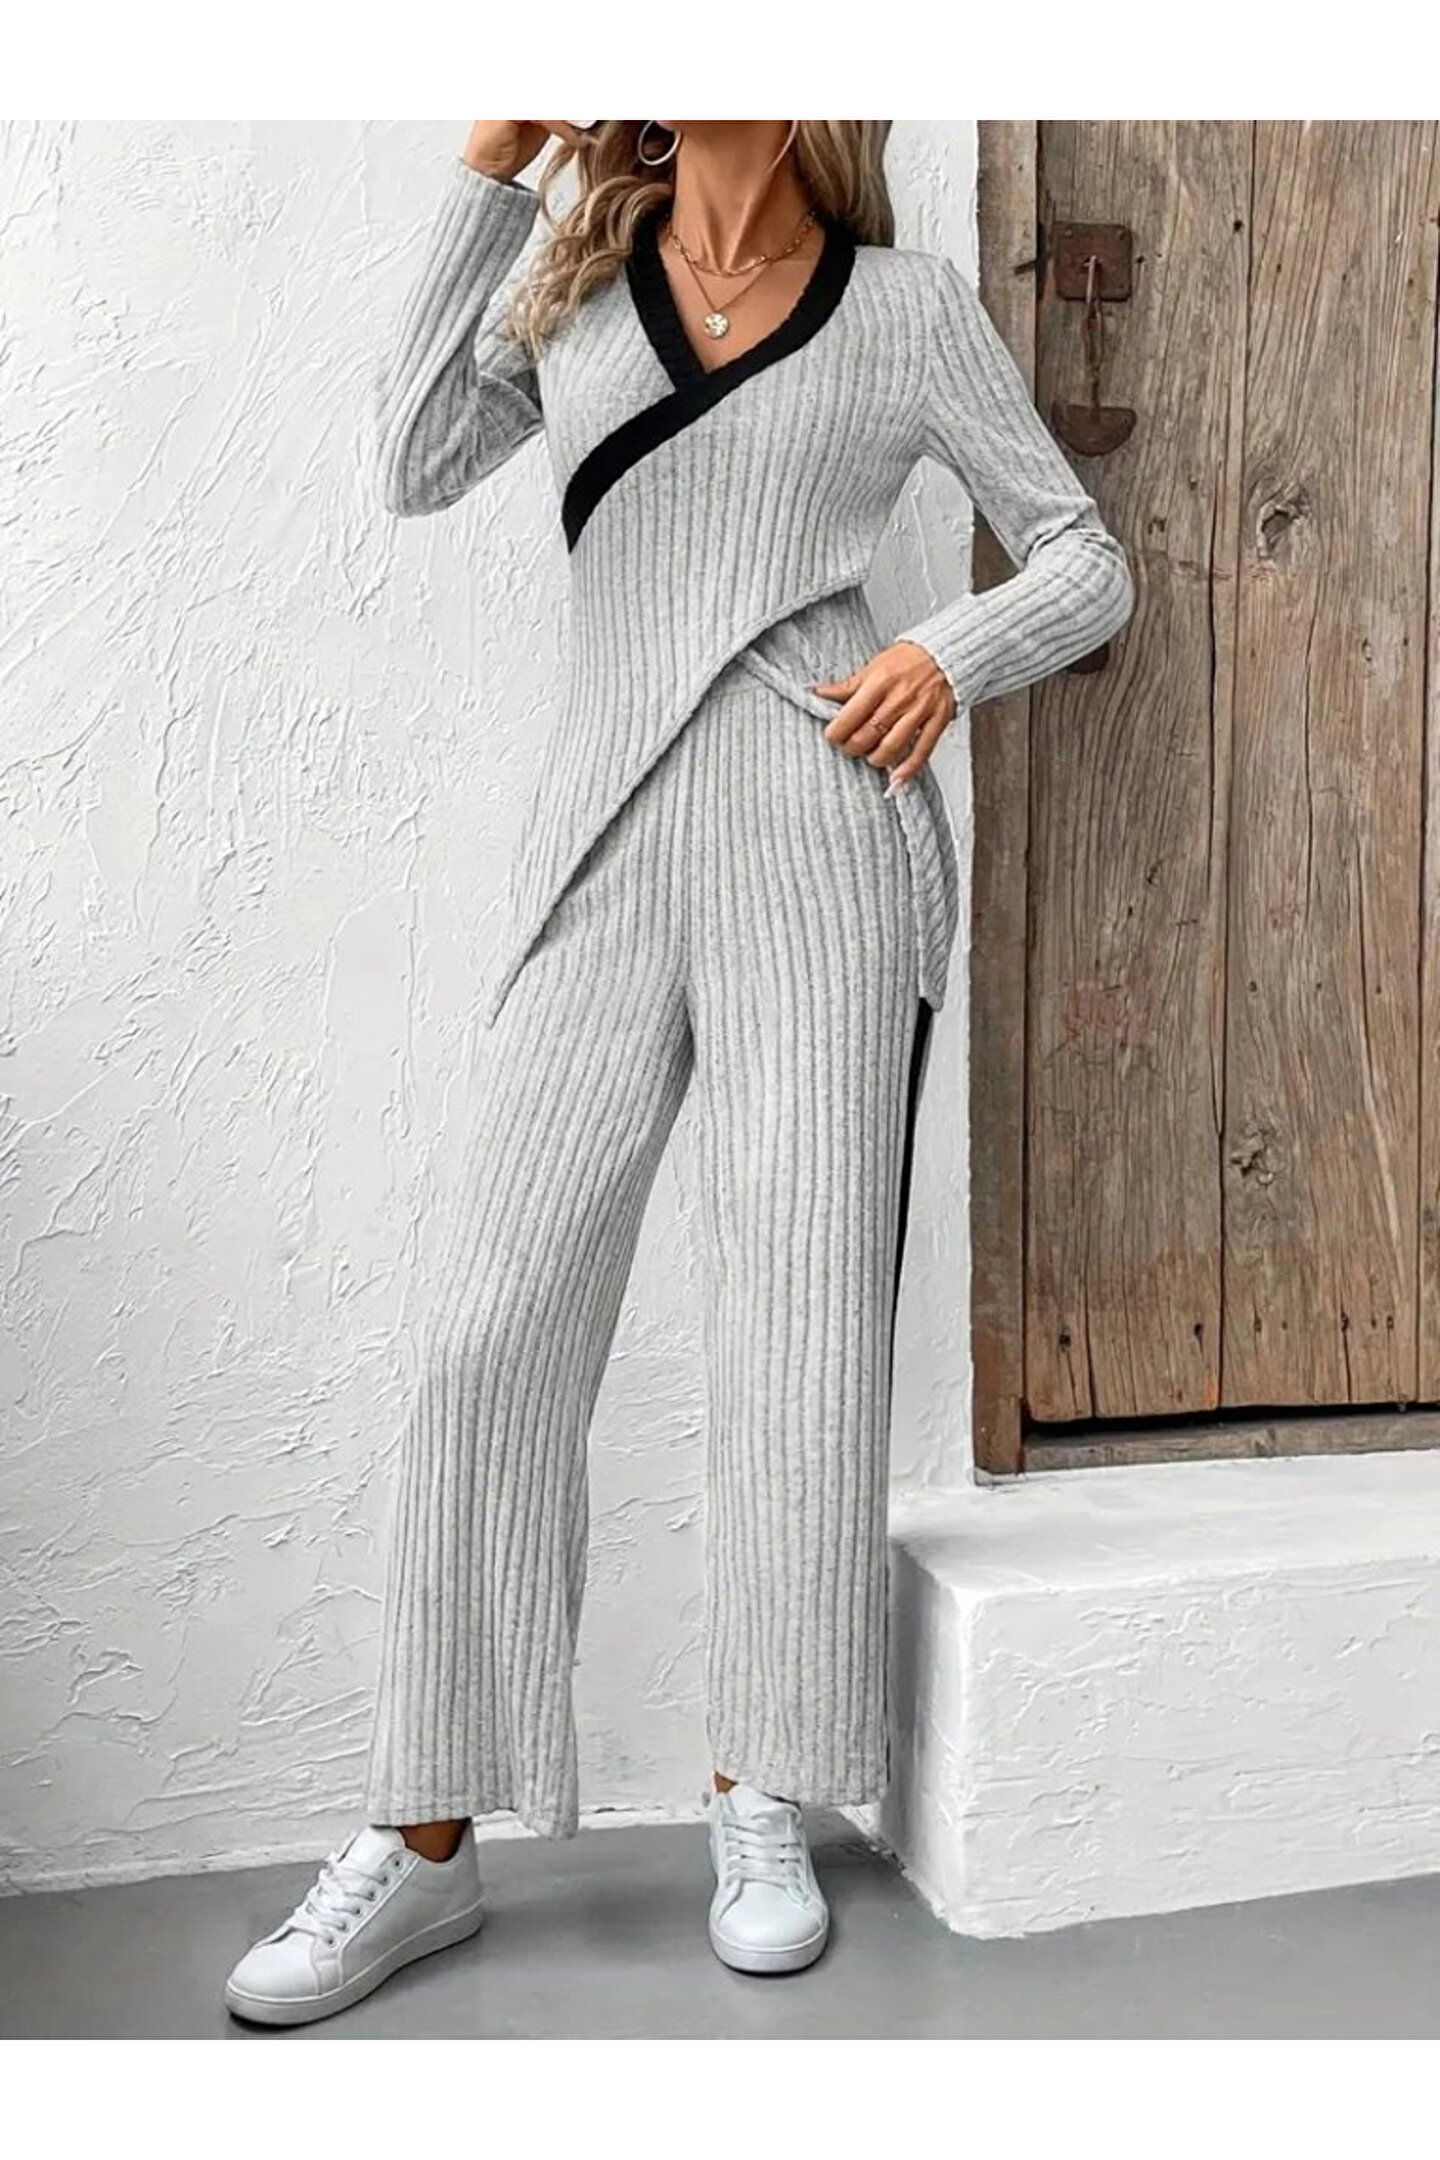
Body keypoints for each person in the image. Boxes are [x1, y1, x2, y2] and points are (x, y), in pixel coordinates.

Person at [223, 118, 1134, 2027]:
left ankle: (762, 1791)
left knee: (797, 1328)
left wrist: (950, 654)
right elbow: (410, 459)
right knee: (487, 1326)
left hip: (824, 825)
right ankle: (423, 1830)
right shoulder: (571, 297)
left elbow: (1083, 555)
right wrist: (494, 168)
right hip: (603, 838)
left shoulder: (906, 311)